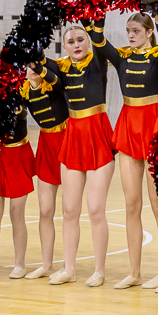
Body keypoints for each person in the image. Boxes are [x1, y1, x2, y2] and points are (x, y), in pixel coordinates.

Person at [92, 12, 158, 290]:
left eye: (136, 30)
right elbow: (98, 41)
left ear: (148, 32)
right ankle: (135, 272)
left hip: (154, 128)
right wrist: (98, 8)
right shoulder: (123, 57)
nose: (130, 35)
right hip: (128, 127)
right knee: (131, 204)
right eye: (128, 30)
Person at [47, 23, 117, 286]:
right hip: (73, 138)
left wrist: (93, 16)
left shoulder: (98, 61)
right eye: (71, 41)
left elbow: (98, 37)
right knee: (69, 210)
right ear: (64, 46)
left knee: (96, 209)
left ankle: (99, 270)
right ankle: (69, 269)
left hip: (98, 136)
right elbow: (38, 62)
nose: (77, 44)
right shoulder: (62, 68)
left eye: (81, 39)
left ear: (88, 42)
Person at [0, 95, 37, 278]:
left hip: (18, 156)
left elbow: (18, 117)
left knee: (17, 212)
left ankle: (20, 264)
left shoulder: (20, 100)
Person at [23, 63, 67, 279]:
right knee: (45, 210)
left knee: (70, 210)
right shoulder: (23, 90)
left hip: (67, 140)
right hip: (46, 144)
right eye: (26, 65)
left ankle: (69, 266)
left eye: (35, 65)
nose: (31, 69)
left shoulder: (53, 82)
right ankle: (47, 264)